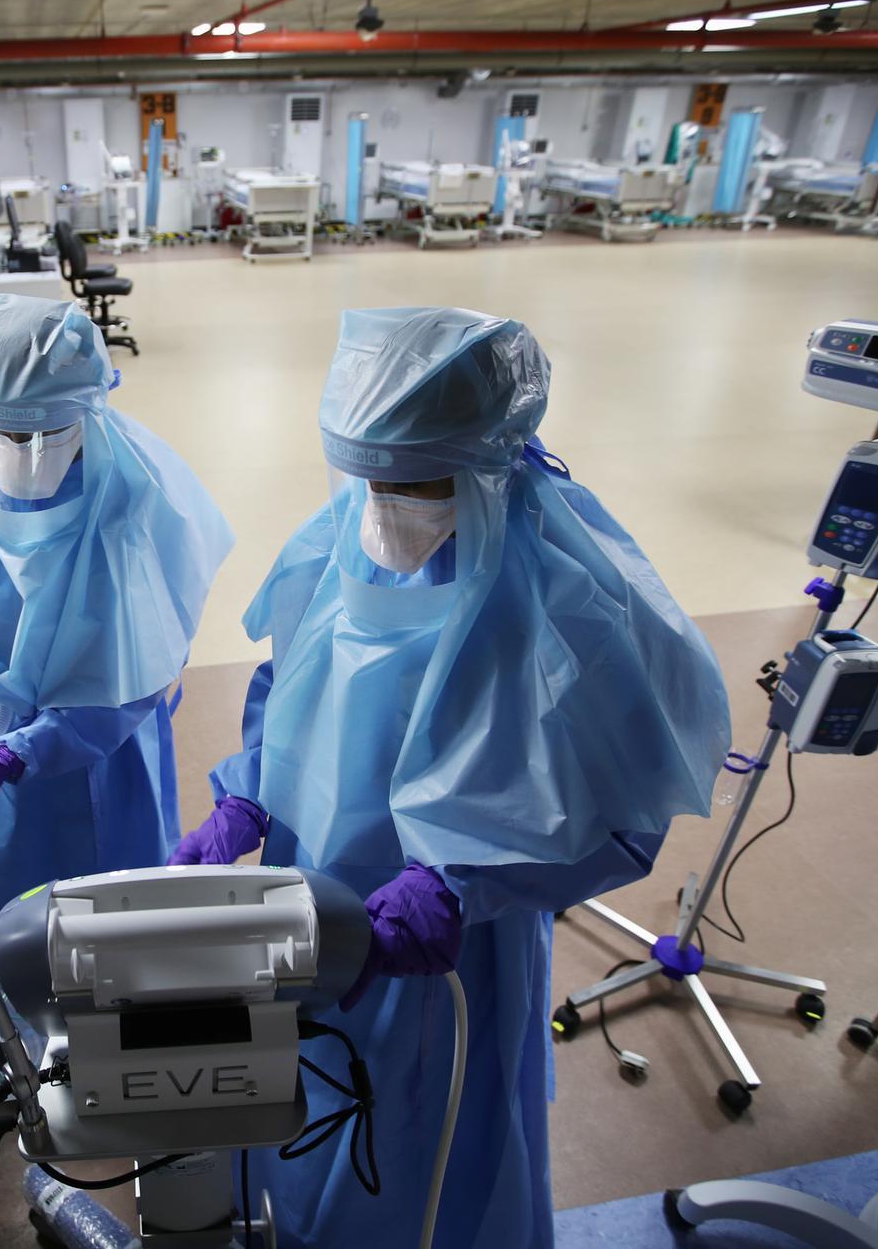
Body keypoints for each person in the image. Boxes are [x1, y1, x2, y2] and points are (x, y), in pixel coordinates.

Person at [170, 308, 731, 1249]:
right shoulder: (344, 535)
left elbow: (628, 820)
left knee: (423, 1154)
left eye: (414, 487)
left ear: (485, 466)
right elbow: (290, 679)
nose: (386, 511)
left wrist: (468, 887)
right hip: (310, 894)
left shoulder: (564, 605)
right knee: (298, 1106)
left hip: (451, 945)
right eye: (371, 483)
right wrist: (246, 794)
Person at [0, 293, 233, 909]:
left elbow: (136, 677)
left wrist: (18, 754)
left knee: (107, 928)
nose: (27, 452)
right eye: (8, 434)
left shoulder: (133, 499)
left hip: (99, 761)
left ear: (86, 411)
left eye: (47, 434)